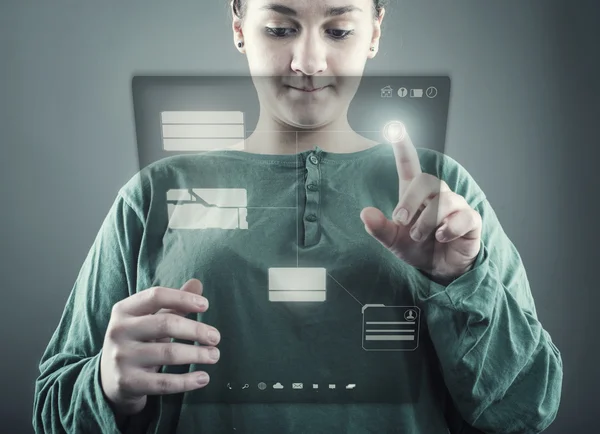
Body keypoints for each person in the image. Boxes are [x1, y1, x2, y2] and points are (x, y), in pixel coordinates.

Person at [33, 0, 563, 433]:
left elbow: (526, 409)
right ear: (239, 26)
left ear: (374, 32)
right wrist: (105, 383)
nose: (308, 62)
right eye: (281, 28)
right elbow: (50, 409)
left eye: (338, 31)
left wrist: (461, 280)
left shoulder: (442, 195)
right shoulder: (154, 195)